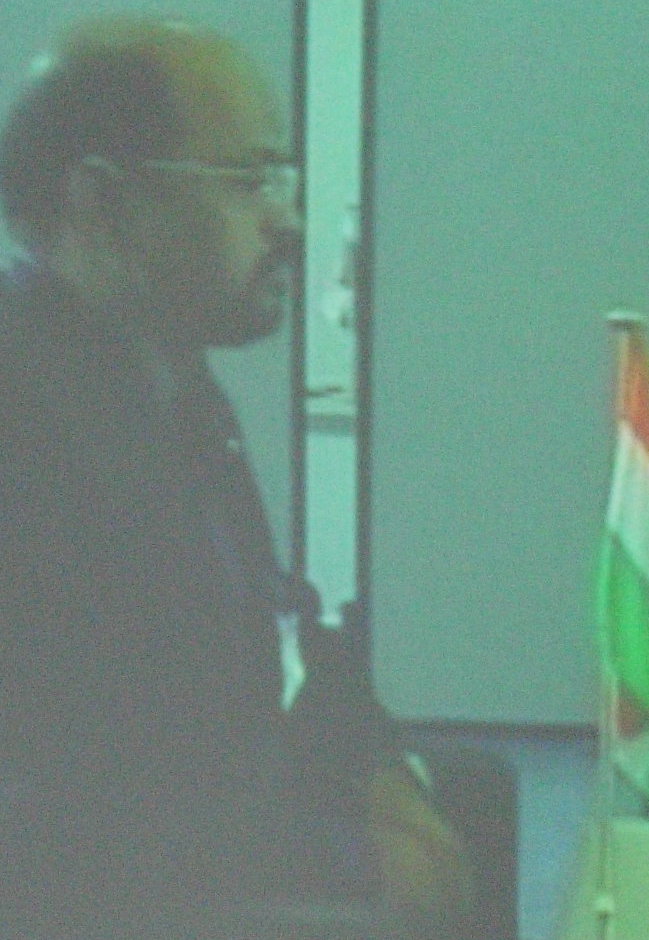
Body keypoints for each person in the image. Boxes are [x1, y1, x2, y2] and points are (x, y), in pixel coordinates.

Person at [0, 17, 473, 939]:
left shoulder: (168, 379)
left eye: (282, 179)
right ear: (102, 204)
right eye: (247, 181)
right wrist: (346, 855)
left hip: (196, 827)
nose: (288, 221)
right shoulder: (28, 422)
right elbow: (89, 800)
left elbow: (278, 626)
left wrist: (378, 768)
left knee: (460, 802)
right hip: (99, 891)